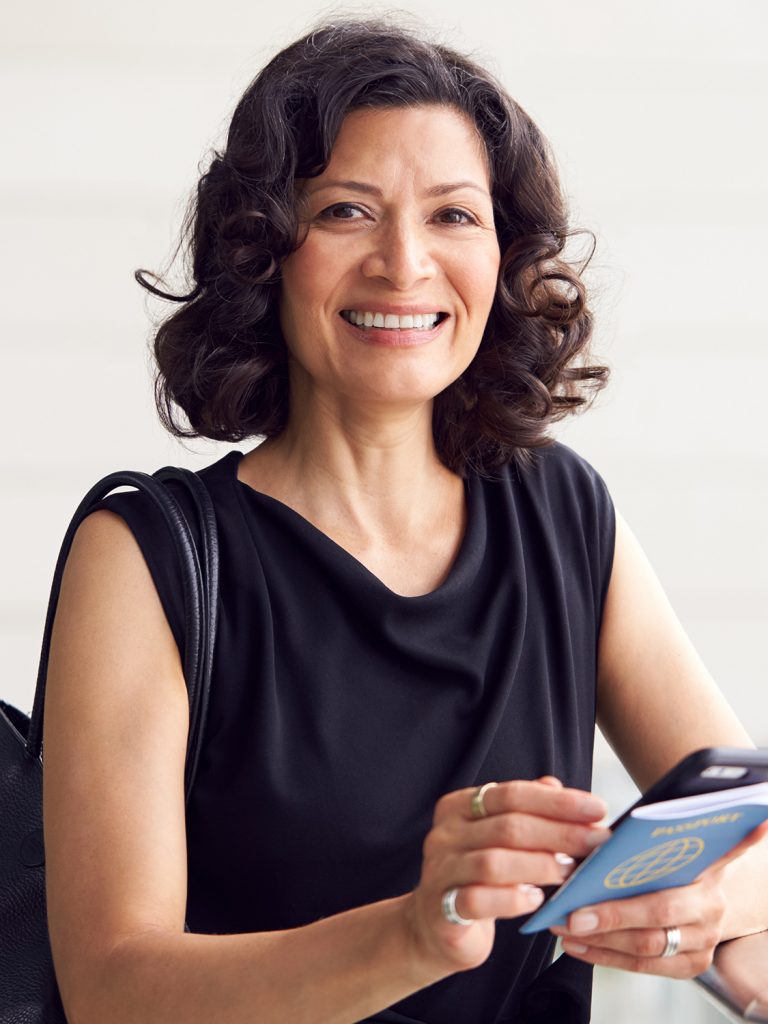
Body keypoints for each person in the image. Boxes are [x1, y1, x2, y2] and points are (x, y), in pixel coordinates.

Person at [41, 16, 768, 1024]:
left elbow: (747, 826)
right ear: (264, 249)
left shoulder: (559, 511)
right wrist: (416, 934)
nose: (404, 263)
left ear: (502, 256)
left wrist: (695, 905)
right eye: (346, 210)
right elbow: (112, 986)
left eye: (454, 217)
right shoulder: (150, 554)